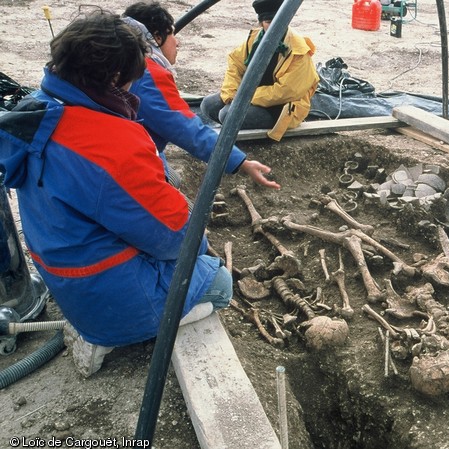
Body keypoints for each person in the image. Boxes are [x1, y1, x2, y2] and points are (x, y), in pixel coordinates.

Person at [0, 11, 237, 377]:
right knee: (219, 282)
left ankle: (100, 325)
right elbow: (173, 239)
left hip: (64, 275)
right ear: (113, 76)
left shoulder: (38, 107)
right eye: (131, 78)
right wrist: (198, 240)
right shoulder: (109, 144)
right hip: (104, 295)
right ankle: (108, 336)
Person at [122, 1, 280, 189]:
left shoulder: (123, 62)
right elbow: (187, 128)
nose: (177, 41)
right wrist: (240, 162)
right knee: (182, 215)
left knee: (173, 178)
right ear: (156, 37)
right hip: (127, 164)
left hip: (122, 152)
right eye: (172, 33)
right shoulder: (148, 74)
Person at [200, 0, 320, 141]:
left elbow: (287, 91)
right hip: (253, 98)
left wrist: (245, 97)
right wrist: (231, 94)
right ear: (261, 23)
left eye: (278, 21)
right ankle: (239, 124)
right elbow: (235, 64)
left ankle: (244, 128)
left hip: (280, 108)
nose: (275, 27)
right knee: (209, 105)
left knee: (227, 115)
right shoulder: (254, 39)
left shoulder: (298, 49)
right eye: (269, 22)